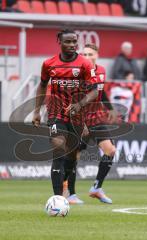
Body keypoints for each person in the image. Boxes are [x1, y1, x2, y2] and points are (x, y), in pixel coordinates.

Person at [32, 29, 99, 197]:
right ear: (60, 43)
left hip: (77, 115)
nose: (72, 45)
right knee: (58, 149)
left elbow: (94, 91)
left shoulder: (85, 64)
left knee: (71, 158)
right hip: (55, 112)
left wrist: (80, 104)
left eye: (74, 42)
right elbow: (42, 85)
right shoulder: (49, 64)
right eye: (68, 42)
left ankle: (65, 184)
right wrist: (36, 111)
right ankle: (57, 198)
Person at [64, 43, 117, 204]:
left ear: (97, 55)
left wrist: (110, 108)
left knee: (111, 150)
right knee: (74, 156)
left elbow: (101, 91)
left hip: (97, 118)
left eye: (90, 54)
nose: (86, 57)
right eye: (84, 54)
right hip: (80, 120)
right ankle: (70, 193)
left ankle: (96, 188)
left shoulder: (101, 70)